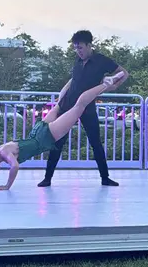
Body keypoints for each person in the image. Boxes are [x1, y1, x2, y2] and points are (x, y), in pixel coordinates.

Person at [0, 72, 125, 191]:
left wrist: (6, 186)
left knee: (79, 107)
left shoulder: (3, 154)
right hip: (37, 132)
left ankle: (106, 83)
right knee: (60, 103)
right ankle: (75, 78)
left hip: (45, 137)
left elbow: (15, 167)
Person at [37, 30, 129, 187]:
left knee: (95, 142)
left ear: (89, 45)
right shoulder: (77, 62)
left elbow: (124, 73)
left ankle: (105, 178)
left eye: (80, 47)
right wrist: (60, 98)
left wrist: (111, 87)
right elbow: (73, 81)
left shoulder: (101, 60)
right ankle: (47, 178)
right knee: (57, 141)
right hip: (68, 105)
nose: (78, 51)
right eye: (75, 48)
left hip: (87, 106)